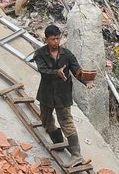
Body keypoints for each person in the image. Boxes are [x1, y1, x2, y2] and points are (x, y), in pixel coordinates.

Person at [33, 24, 93, 165]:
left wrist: (86, 81)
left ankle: (76, 154)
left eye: (58, 39)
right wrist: (56, 73)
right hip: (47, 93)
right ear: (46, 39)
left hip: (63, 94)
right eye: (53, 39)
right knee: (46, 121)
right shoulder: (40, 54)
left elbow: (77, 70)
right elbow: (42, 70)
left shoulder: (67, 54)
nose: (56, 42)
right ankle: (58, 141)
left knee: (66, 122)